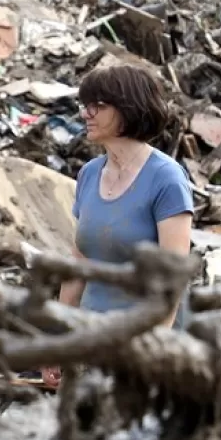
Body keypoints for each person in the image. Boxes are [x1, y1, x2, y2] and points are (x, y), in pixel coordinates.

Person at [44, 65, 195, 387]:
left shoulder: (166, 179)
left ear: (128, 109)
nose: (86, 114)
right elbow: (79, 265)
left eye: (98, 105)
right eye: (85, 105)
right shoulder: (88, 174)